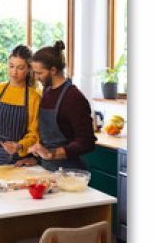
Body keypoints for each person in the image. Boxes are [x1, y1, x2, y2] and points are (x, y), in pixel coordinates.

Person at [16, 40, 96, 171]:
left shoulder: (73, 97)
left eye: (39, 73)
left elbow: (86, 142)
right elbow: (47, 139)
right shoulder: (47, 91)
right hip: (47, 168)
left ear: (53, 70)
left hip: (70, 172)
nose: (36, 77)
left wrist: (50, 154)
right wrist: (37, 158)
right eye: (34, 73)